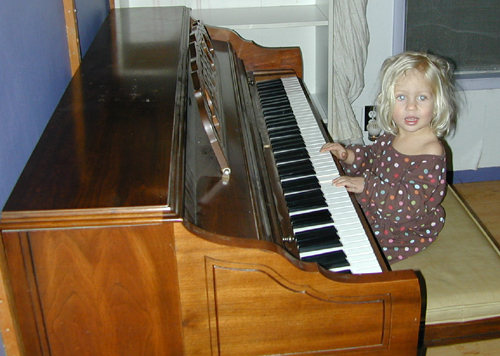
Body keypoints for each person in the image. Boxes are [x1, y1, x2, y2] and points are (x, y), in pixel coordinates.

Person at [320, 51, 457, 264]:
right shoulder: (394, 134)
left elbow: (407, 204)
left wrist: (367, 186)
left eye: (422, 97)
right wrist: (348, 155)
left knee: (355, 255)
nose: (411, 106)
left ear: (437, 103)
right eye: (401, 97)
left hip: (404, 226)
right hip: (376, 205)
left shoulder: (431, 152)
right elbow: (373, 157)